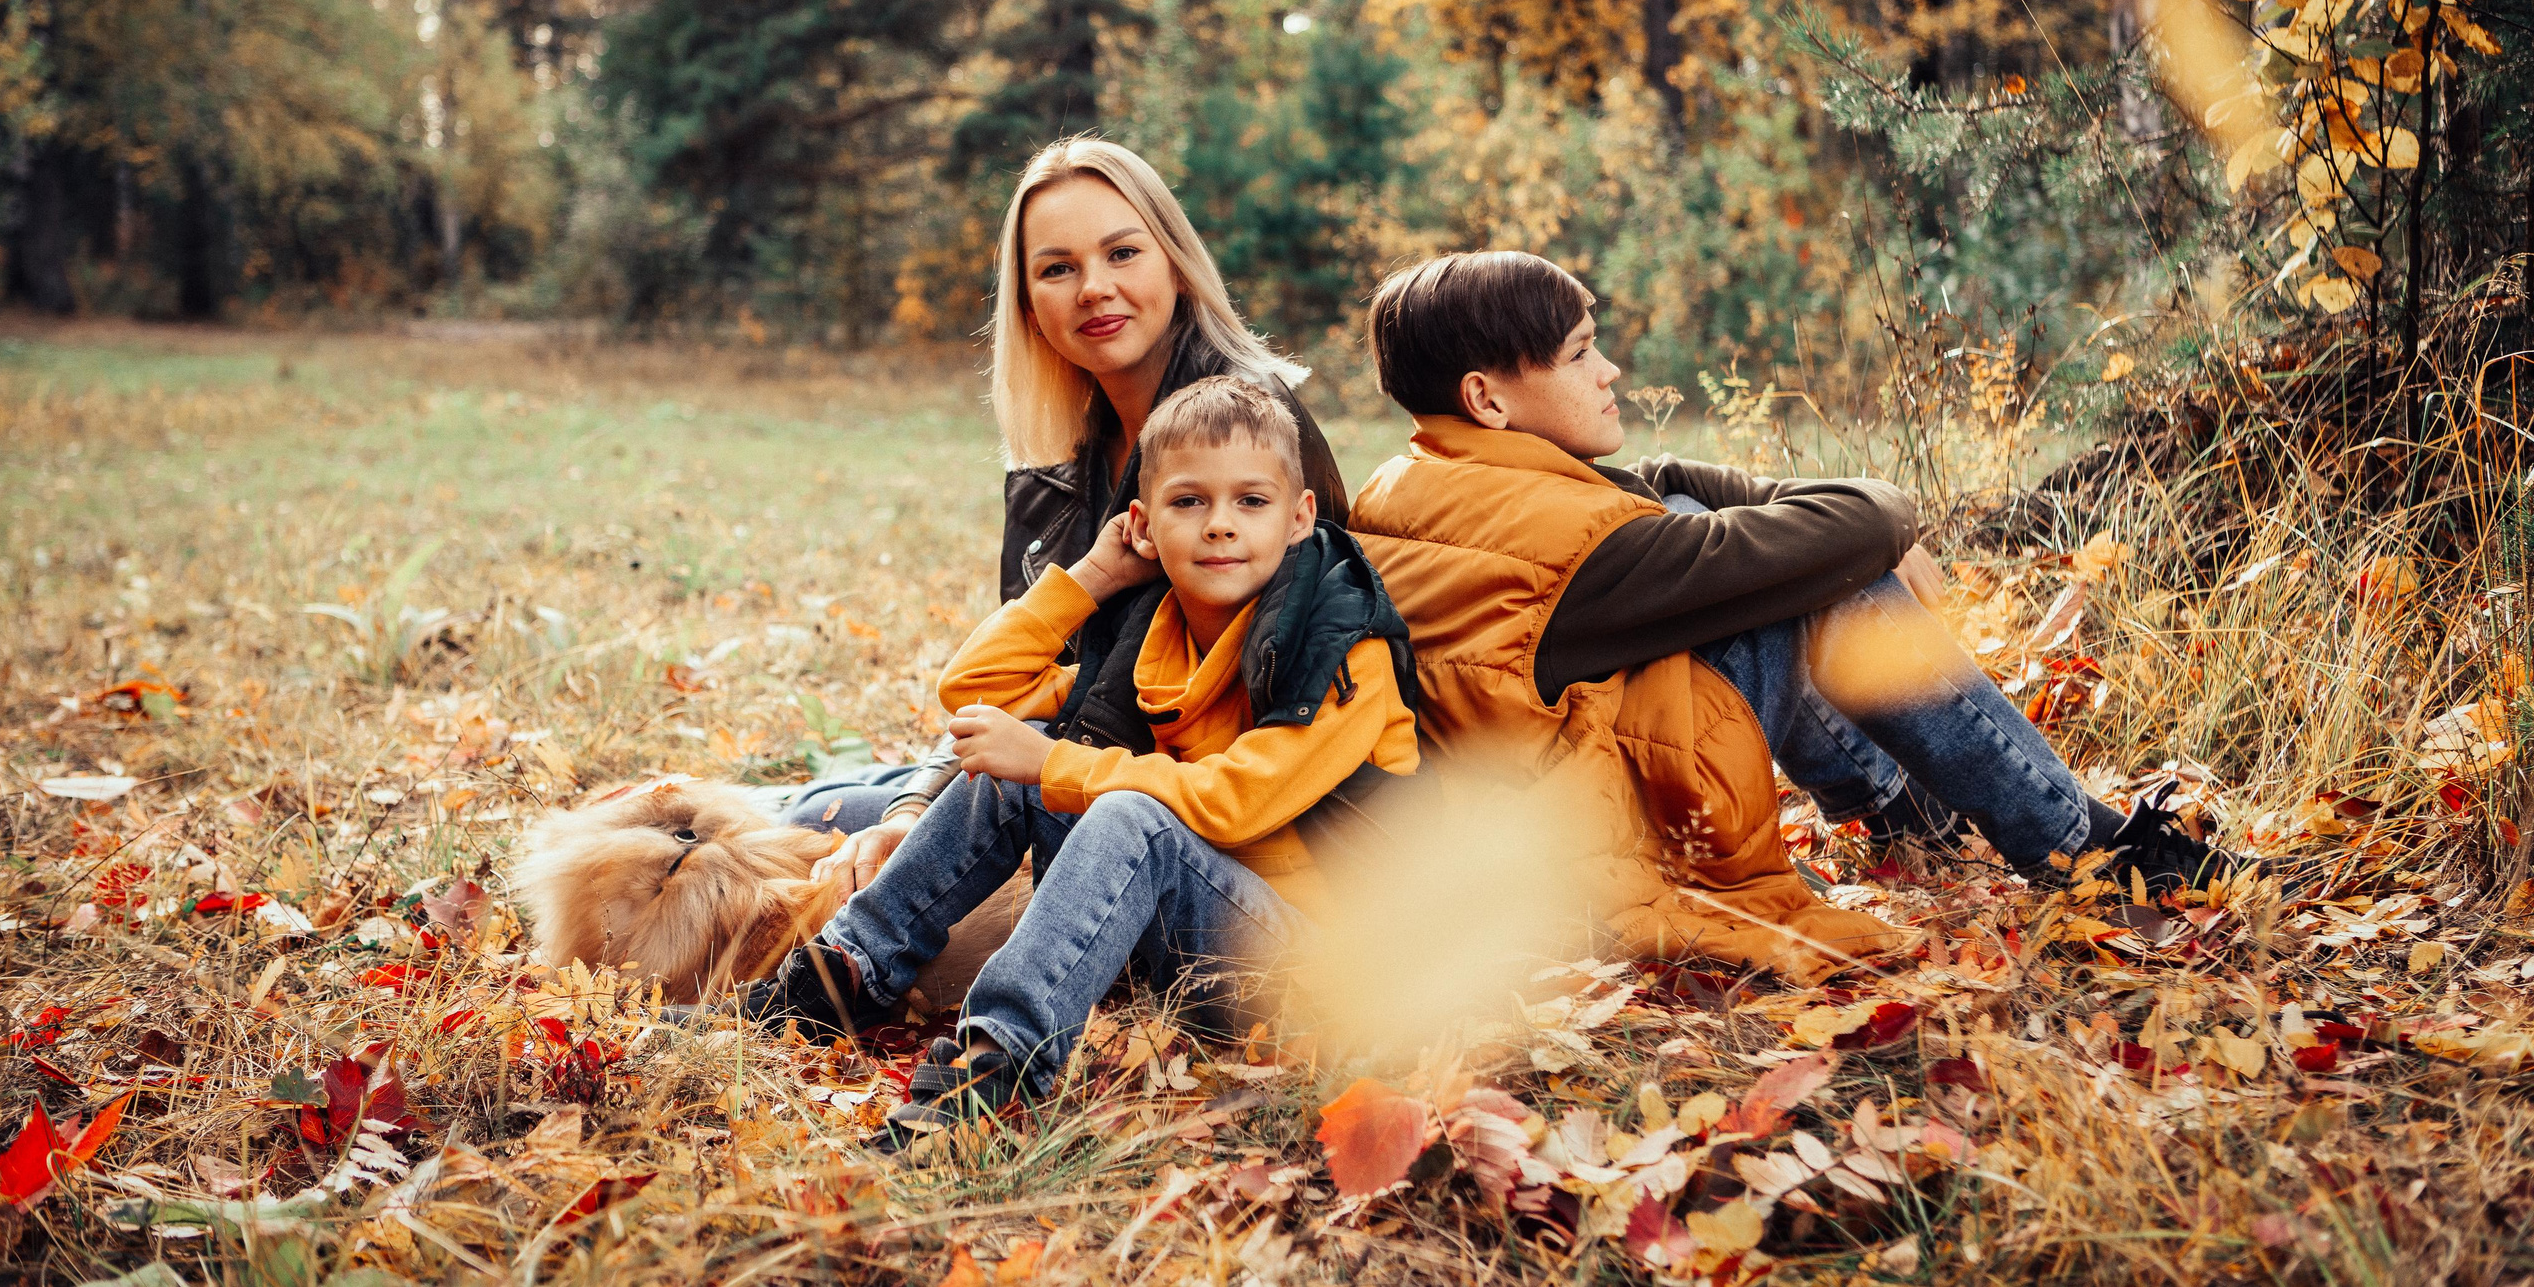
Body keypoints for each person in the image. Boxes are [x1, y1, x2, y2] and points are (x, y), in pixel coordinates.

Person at [1349, 252, 2235, 938]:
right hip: (1612, 870)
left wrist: (1805, 522)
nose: (1610, 370)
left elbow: (1655, 485)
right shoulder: (1577, 552)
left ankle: (1900, 815)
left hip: (1534, 837)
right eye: (1581, 354)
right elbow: (1847, 525)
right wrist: (1891, 528)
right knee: (1826, 584)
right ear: (1488, 400)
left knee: (1736, 540)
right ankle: (2087, 851)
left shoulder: (1417, 485)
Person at [758, 377, 1419, 1141]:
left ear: (1299, 516)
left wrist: (1052, 763)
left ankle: (993, 1075)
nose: (1219, 525)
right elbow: (975, 691)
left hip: (1327, 973)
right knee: (1016, 774)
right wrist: (1095, 576)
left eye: (1251, 501)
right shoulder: (1156, 633)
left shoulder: (1342, 649)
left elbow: (1237, 801)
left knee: (1119, 809)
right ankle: (842, 977)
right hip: (1198, 936)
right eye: (1188, 502)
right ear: (1143, 523)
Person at [769, 138, 1349, 899]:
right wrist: (913, 807)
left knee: (824, 823)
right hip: (1065, 756)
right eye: (1057, 269)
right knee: (814, 808)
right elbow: (1004, 683)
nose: (1094, 289)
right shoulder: (1065, 461)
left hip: (1184, 825)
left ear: (1176, 265)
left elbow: (1294, 696)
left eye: (1122, 253)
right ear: (1028, 306)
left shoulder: (1252, 436)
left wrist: (958, 802)